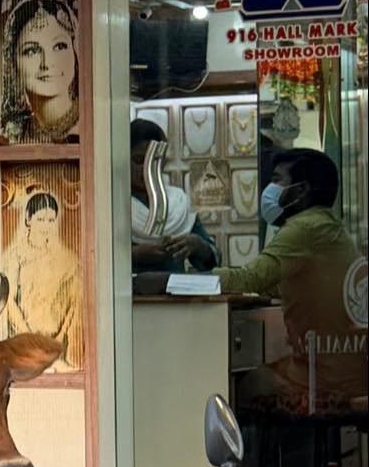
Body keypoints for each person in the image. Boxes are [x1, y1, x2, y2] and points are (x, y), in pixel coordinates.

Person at [220, 149, 366, 411]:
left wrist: (189, 278)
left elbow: (248, 280)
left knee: (237, 387)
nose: (270, 189)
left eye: (277, 180)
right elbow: (285, 284)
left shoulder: (304, 228)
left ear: (301, 190)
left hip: (321, 383)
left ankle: (250, 454)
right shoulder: (330, 227)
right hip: (354, 377)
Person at [3, 190, 82, 371]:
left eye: (50, 220)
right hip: (23, 340)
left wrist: (56, 342)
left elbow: (73, 303)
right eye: (40, 219)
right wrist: (27, 337)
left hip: (53, 342)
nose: (45, 226)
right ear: (28, 220)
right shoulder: (15, 257)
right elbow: (8, 302)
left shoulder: (64, 258)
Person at [129, 118, 218, 272]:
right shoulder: (111, 205)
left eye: (154, 161)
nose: (147, 169)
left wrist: (198, 246)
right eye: (138, 160)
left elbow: (213, 260)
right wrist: (134, 255)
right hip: (126, 295)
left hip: (175, 293)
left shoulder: (177, 204)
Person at [0, 0, 79, 144]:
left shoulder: (90, 125)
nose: (47, 63)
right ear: (12, 62)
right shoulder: (9, 134)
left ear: (75, 51)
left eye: (59, 46)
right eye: (31, 51)